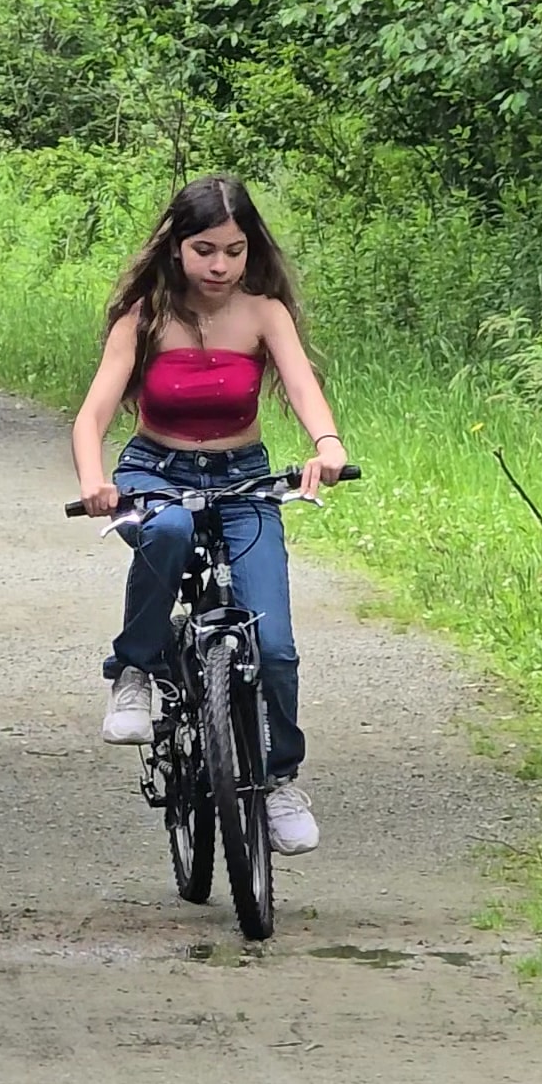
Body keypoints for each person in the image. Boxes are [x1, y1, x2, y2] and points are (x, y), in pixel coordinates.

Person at [71, 175, 348, 855]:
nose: (220, 266)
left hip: (244, 478)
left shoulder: (264, 314)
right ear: (176, 247)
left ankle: (279, 778)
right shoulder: (143, 315)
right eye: (204, 250)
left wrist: (329, 445)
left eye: (234, 250)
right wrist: (95, 481)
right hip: (154, 470)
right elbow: (94, 414)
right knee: (162, 531)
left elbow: (305, 387)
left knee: (276, 646)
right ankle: (134, 669)